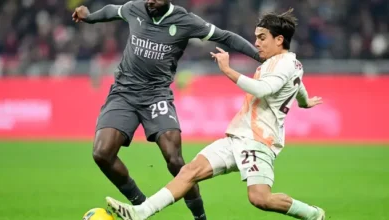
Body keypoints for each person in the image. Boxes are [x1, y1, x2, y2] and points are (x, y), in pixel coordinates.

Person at [105, 8, 326, 220]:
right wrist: (305, 102)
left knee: (260, 198)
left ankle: (312, 214)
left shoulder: (283, 65)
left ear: (279, 40)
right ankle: (140, 213)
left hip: (259, 142)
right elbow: (298, 85)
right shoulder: (288, 64)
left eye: (262, 37)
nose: (256, 43)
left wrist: (228, 70)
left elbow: (263, 89)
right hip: (237, 137)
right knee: (189, 171)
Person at [72, 1, 261, 220]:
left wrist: (259, 56)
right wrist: (89, 16)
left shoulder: (185, 21)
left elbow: (226, 36)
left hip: (156, 95)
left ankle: (200, 217)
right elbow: (112, 11)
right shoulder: (135, 8)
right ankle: (141, 206)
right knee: (101, 154)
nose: (150, 1)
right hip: (123, 93)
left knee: (174, 160)